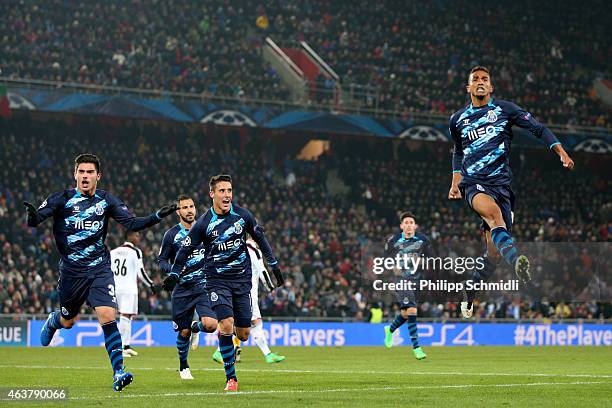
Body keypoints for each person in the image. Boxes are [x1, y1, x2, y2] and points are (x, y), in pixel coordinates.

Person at [24, 153, 176, 392]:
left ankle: (118, 372)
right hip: (72, 272)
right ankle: (54, 320)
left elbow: (132, 224)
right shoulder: (61, 198)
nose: (85, 176)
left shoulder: (106, 200)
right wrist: (32, 217)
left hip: (99, 268)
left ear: (98, 176)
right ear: (75, 174)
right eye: (81, 172)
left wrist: (157, 216)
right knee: (69, 321)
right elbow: (36, 219)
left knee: (107, 315)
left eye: (90, 172)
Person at [447, 66, 575, 319]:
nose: (481, 82)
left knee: (493, 255)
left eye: (485, 79)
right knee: (494, 217)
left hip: (503, 187)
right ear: (468, 88)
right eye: (476, 80)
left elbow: (538, 128)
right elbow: (458, 152)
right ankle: (517, 260)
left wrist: (561, 152)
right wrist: (455, 183)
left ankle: (469, 294)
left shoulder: (505, 110)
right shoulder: (457, 120)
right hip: (474, 184)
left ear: (491, 87)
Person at [166, 174, 284, 391]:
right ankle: (231, 378)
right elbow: (185, 250)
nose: (227, 195)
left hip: (241, 280)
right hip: (216, 280)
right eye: (222, 191)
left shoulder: (242, 215)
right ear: (212, 194)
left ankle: (196, 328)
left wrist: (274, 265)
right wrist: (174, 274)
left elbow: (261, 239)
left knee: (243, 334)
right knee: (226, 324)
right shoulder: (203, 223)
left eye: (229, 190)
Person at [158, 194, 218, 380]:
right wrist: (173, 271)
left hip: (203, 286)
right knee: (182, 332)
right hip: (182, 289)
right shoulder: (171, 235)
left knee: (210, 325)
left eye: (192, 206)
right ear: (178, 212)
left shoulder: (205, 231)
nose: (190, 210)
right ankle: (184, 366)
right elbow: (161, 260)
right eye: (185, 207)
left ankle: (196, 327)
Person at [211, 238, 286, 364]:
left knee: (244, 323)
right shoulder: (253, 249)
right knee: (254, 324)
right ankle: (220, 351)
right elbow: (261, 269)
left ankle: (267, 354)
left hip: (237, 290)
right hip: (248, 293)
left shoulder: (236, 247)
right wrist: (270, 287)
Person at [382, 211, 431, 360]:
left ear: (415, 226)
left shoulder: (423, 240)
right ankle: (417, 348)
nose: (409, 225)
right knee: (412, 309)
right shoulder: (393, 240)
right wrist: (392, 266)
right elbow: (385, 258)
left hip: (416, 280)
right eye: (406, 223)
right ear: (401, 226)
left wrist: (420, 262)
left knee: (406, 313)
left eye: (411, 223)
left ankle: (390, 330)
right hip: (401, 279)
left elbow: (430, 260)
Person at [110, 230, 155, 358]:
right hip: (128, 288)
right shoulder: (135, 251)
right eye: (136, 235)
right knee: (125, 316)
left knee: (126, 317)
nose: (138, 237)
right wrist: (151, 284)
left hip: (115, 287)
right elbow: (141, 272)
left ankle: (126, 345)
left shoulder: (113, 252)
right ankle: (120, 347)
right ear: (129, 236)